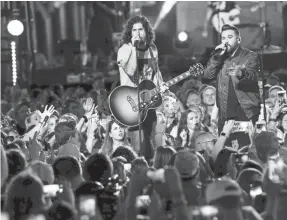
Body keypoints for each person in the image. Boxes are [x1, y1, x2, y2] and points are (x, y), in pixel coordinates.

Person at [117, 15, 167, 161]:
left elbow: (156, 72)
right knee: (138, 146)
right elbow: (131, 70)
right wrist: (133, 48)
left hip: (149, 102)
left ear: (147, 32)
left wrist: (163, 88)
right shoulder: (124, 50)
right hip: (131, 103)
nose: (137, 33)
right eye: (134, 30)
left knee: (152, 143)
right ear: (130, 33)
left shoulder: (152, 49)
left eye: (140, 29)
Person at [204, 24, 261, 134]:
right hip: (225, 115)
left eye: (230, 37)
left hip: (245, 112)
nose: (226, 41)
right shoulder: (219, 57)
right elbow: (208, 75)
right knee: (225, 148)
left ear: (238, 39)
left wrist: (241, 73)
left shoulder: (250, 56)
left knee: (246, 149)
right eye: (223, 38)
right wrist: (216, 57)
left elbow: (253, 77)